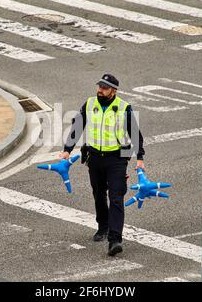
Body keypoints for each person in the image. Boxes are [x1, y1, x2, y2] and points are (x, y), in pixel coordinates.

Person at [59, 74, 145, 256]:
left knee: (116, 197)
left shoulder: (123, 108)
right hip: (95, 158)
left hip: (116, 159)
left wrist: (140, 158)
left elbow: (135, 134)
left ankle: (115, 239)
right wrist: (67, 149)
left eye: (104, 88)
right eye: (99, 86)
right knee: (98, 194)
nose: (100, 90)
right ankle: (103, 226)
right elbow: (77, 127)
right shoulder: (90, 104)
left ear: (113, 91)